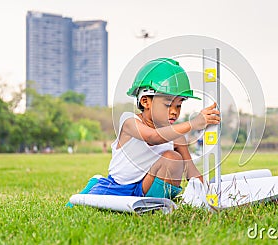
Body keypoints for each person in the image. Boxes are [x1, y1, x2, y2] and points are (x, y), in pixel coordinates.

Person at [78, 58, 220, 199]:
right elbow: (153, 137)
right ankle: (95, 183)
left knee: (173, 159)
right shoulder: (129, 121)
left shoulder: (177, 136)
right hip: (118, 187)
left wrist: (209, 193)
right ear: (145, 101)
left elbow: (191, 172)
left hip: (144, 186)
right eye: (168, 104)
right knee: (86, 200)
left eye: (178, 105)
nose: (174, 111)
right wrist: (193, 124)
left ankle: (152, 205)